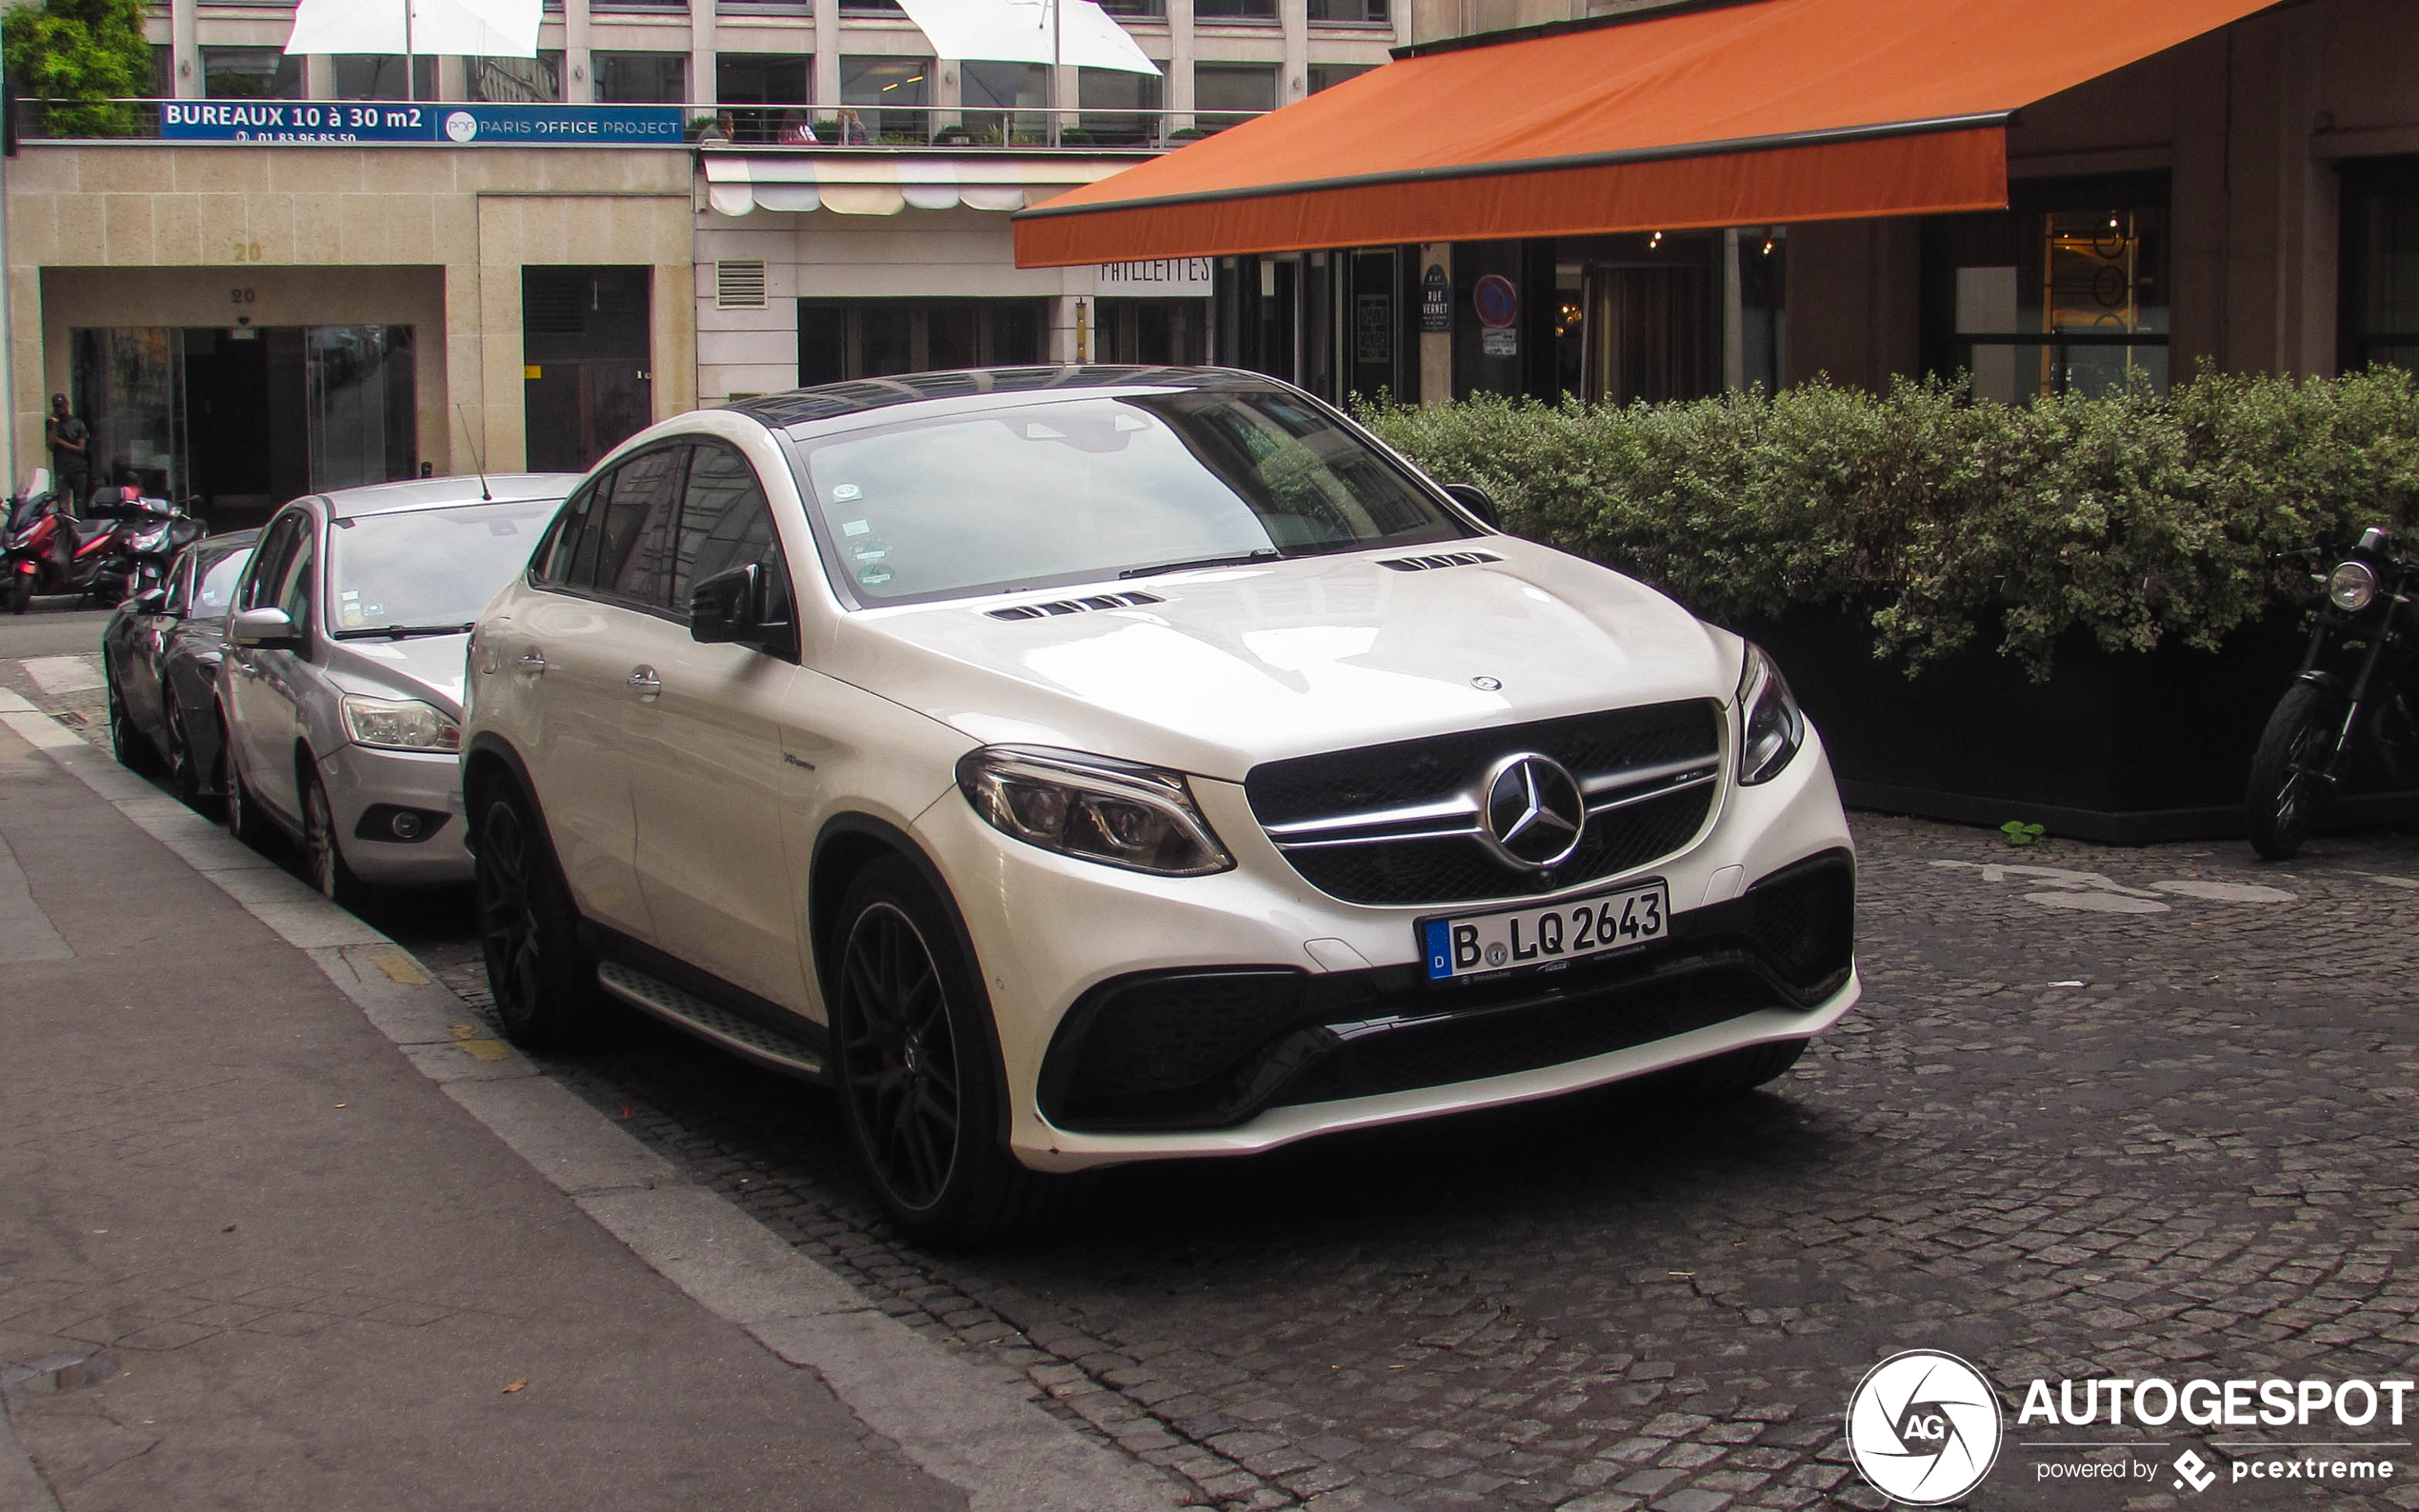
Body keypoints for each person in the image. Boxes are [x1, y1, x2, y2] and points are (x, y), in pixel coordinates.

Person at [43, 393, 88, 507]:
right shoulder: (52, 424)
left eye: (61, 406)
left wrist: (61, 442)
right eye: (57, 406)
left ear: (67, 405)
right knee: (63, 504)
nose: (60, 409)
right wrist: (54, 424)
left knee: (80, 503)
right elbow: (51, 445)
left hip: (78, 469)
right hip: (62, 469)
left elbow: (81, 449)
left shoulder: (77, 423)